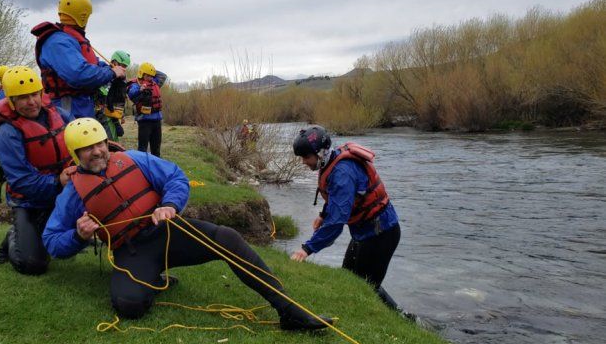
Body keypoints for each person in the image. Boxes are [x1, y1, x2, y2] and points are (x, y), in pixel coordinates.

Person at [42, 118, 332, 330]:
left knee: (227, 237)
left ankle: (288, 310)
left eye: (100, 144)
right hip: (131, 252)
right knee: (129, 306)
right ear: (74, 154)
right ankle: (155, 281)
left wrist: (169, 205)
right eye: (87, 148)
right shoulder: (72, 193)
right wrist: (78, 236)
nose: (98, 151)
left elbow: (176, 177)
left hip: (168, 232)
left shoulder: (133, 159)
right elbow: (52, 240)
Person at [290, 125, 402, 310]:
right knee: (348, 278)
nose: (303, 162)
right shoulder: (332, 162)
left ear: (320, 153)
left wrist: (307, 249)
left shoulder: (343, 172)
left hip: (381, 234)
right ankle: (360, 312)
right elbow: (339, 198)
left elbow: (336, 224)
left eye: (306, 157)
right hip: (365, 231)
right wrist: (323, 215)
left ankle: (402, 319)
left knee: (366, 287)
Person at [0, 66, 75, 275]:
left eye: (34, 94)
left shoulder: (59, 115)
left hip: (62, 194)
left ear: (41, 93)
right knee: (33, 264)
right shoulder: (6, 133)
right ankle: (14, 236)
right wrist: (57, 182)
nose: (31, 101)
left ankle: (44, 229)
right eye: (23, 97)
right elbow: (22, 181)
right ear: (11, 101)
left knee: (69, 241)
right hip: (28, 201)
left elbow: (81, 139)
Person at [31, 0, 126, 119]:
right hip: (66, 107)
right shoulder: (58, 41)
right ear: (83, 16)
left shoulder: (70, 38)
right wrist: (112, 73)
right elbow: (79, 74)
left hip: (82, 105)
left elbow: (93, 64)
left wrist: (112, 68)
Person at [127, 62, 162, 157]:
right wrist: (140, 89)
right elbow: (131, 94)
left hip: (157, 120)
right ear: (141, 74)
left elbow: (163, 76)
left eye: (151, 76)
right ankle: (141, 167)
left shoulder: (155, 82)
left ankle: (156, 167)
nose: (150, 78)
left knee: (156, 148)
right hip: (145, 121)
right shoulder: (136, 84)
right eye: (148, 75)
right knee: (142, 148)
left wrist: (152, 70)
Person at [101, 50, 131, 141]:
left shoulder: (122, 80)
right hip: (105, 115)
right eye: (123, 66)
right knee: (111, 142)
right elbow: (103, 94)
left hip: (115, 114)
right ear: (114, 62)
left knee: (115, 140)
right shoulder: (107, 75)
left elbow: (120, 98)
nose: (124, 69)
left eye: (126, 66)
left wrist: (121, 116)